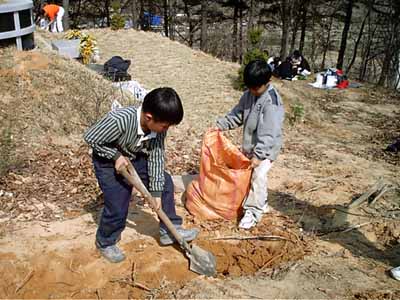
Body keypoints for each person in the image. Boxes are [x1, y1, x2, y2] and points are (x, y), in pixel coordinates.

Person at [84, 87, 199, 263]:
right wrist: (115, 156)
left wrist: (156, 193)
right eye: (165, 126)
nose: (165, 129)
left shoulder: (158, 127)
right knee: (118, 201)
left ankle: (169, 230)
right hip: (107, 159)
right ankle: (106, 242)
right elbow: (91, 137)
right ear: (149, 117)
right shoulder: (119, 120)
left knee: (165, 181)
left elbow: (156, 157)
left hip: (134, 155)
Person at [216, 59, 285, 230]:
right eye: (250, 87)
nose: (253, 91)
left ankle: (253, 212)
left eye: (256, 88)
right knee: (251, 178)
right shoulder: (249, 95)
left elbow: (269, 133)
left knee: (258, 176)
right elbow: (238, 114)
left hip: (266, 149)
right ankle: (262, 202)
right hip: (250, 147)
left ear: (267, 82)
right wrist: (221, 125)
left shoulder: (272, 102)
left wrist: (259, 155)